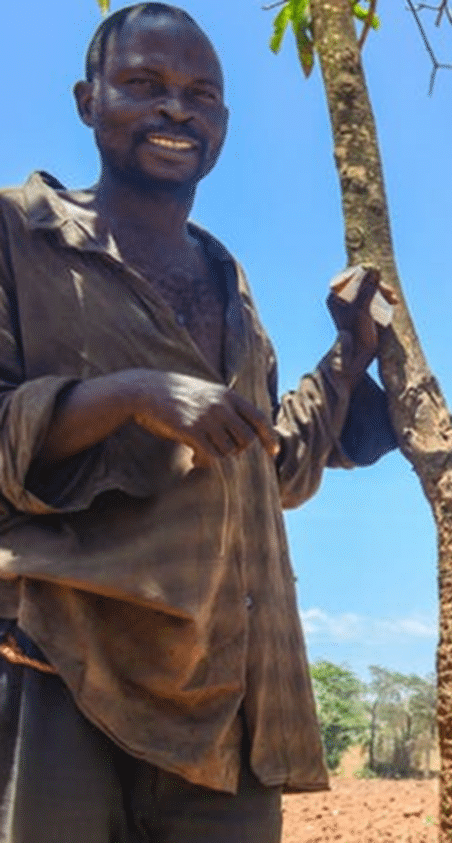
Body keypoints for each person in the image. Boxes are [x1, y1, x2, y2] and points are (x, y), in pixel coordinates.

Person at [0, 4, 398, 841]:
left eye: (199, 94)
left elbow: (268, 467)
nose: (175, 109)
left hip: (227, 689)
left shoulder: (228, 282)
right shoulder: (18, 235)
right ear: (87, 98)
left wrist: (350, 355)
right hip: (58, 660)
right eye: (144, 84)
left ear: (221, 122)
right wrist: (133, 393)